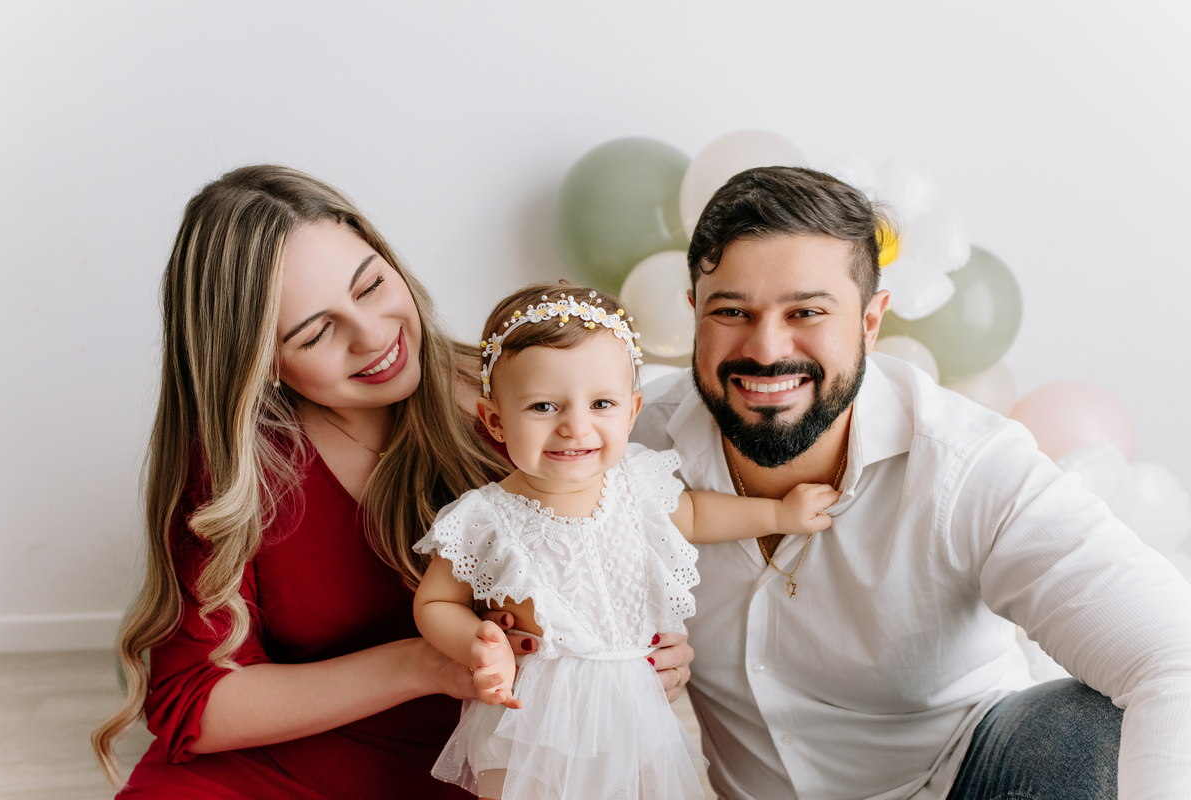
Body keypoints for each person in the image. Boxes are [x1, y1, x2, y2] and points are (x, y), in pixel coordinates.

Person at [90, 166, 696, 799]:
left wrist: (650, 659)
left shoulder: (534, 405)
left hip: (495, 765)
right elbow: (193, 705)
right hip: (278, 769)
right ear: (260, 362)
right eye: (317, 331)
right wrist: (423, 664)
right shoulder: (239, 466)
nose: (374, 335)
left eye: (372, 285)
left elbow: (627, 553)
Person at [631, 166, 1191, 799]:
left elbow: (1174, 653)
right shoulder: (623, 452)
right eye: (732, 311)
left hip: (969, 778)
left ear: (870, 321)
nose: (765, 349)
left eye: (806, 311)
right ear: (695, 314)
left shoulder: (968, 463)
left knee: (1092, 731)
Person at [410, 283, 840, 800]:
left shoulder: (636, 483)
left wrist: (777, 513)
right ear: (495, 420)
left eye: (601, 403)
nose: (575, 427)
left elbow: (697, 513)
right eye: (544, 406)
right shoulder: (484, 518)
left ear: (632, 412)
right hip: (533, 716)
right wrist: (481, 645)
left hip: (634, 709)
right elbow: (435, 602)